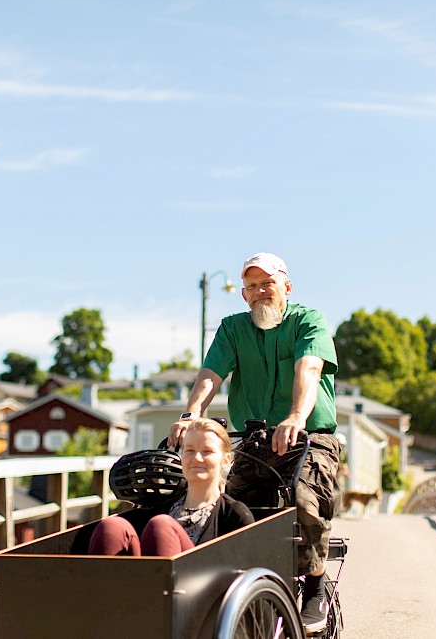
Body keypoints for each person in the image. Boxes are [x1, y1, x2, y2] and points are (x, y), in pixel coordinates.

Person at [168, 251, 340, 634]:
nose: (261, 291)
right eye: (252, 286)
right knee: (222, 502)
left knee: (304, 499)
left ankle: (315, 583)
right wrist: (192, 412)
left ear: (286, 287)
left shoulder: (308, 320)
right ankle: (231, 588)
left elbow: (308, 367)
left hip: (311, 435)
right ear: (244, 295)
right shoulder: (232, 328)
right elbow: (212, 373)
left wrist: (296, 417)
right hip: (252, 438)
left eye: (268, 283)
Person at [90, 417, 254, 556]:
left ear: (226, 460)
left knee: (162, 526)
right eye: (189, 450)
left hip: (198, 587)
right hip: (146, 583)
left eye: (207, 451)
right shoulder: (160, 508)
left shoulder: (234, 513)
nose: (197, 458)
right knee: (112, 527)